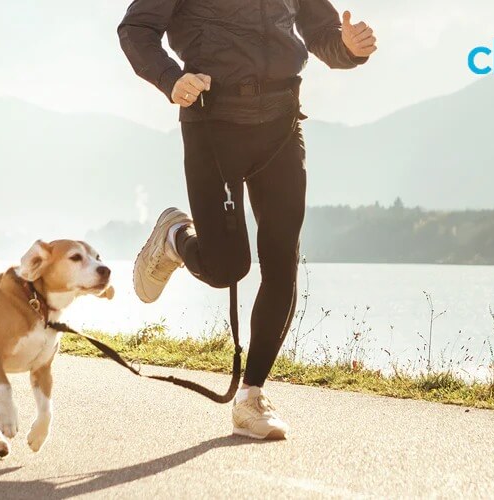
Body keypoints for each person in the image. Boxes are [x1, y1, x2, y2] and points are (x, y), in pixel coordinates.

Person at [117, 0, 376, 440]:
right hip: (211, 121)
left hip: (280, 123)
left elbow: (322, 34)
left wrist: (350, 48)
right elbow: (136, 29)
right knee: (226, 268)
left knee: (281, 261)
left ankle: (251, 397)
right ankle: (176, 238)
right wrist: (170, 78)